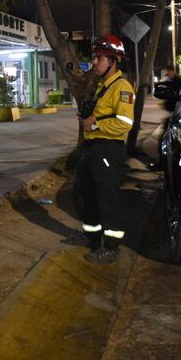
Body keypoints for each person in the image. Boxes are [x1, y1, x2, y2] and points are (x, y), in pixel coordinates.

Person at [63, 35, 135, 264]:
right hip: (93, 148)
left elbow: (124, 122)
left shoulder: (122, 87)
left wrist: (94, 124)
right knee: (85, 194)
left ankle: (112, 247)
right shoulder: (104, 86)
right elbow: (101, 114)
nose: (94, 62)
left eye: (99, 58)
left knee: (107, 198)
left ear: (112, 61)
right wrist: (87, 119)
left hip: (107, 149)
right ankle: (92, 237)